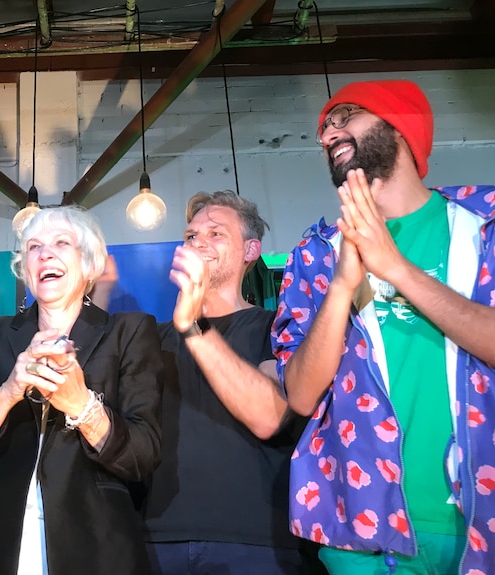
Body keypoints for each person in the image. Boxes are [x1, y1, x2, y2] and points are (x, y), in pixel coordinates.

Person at [272, 79, 495, 574]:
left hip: (482, 522)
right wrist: (341, 285)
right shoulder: (315, 254)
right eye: (324, 126)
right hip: (365, 529)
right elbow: (302, 395)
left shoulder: (483, 224)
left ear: (402, 128)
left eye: (345, 114)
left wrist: (393, 267)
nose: (328, 131)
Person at [0, 205, 163, 575]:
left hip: (94, 544)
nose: (45, 253)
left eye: (61, 243)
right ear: (25, 269)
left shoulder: (129, 332)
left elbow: (142, 456)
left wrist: (82, 406)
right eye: (34, 247)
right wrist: (8, 391)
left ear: (89, 264)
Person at [141, 191, 311, 574]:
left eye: (216, 233)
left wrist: (193, 326)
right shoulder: (149, 337)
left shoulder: (276, 326)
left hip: (254, 543)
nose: (198, 241)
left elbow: (269, 416)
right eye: (190, 236)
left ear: (251, 250)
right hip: (155, 539)